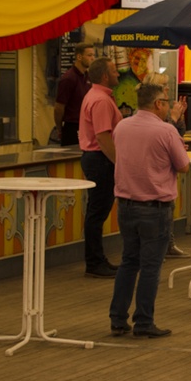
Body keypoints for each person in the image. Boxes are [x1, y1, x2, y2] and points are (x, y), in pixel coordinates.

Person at [108, 83, 190, 338]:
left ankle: (118, 318)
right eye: (166, 101)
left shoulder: (122, 127)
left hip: (125, 204)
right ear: (157, 104)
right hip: (155, 207)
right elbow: (183, 165)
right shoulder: (165, 131)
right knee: (151, 266)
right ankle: (144, 321)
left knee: (128, 262)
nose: (168, 105)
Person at [79, 57, 122, 278]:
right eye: (114, 71)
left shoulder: (94, 95)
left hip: (96, 158)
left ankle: (96, 259)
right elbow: (103, 137)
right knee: (97, 213)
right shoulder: (102, 101)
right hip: (100, 159)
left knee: (96, 211)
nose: (118, 74)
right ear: (105, 76)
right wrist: (119, 163)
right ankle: (95, 262)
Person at [141, 72, 189, 258]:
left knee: (170, 206)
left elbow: (178, 133)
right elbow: (164, 132)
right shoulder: (152, 113)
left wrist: (179, 117)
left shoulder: (165, 109)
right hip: (156, 168)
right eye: (164, 86)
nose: (168, 89)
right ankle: (163, 246)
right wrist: (174, 118)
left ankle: (168, 243)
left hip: (166, 165)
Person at [54, 42, 95, 146]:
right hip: (72, 127)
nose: (93, 58)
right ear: (79, 57)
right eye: (89, 55)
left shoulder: (88, 76)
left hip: (87, 125)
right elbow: (59, 107)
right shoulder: (69, 78)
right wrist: (59, 128)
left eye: (93, 55)